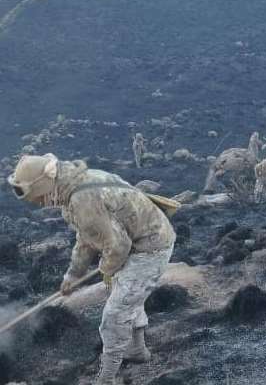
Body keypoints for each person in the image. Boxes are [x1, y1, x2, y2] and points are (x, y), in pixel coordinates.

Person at [7, 154, 176, 384]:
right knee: (126, 295)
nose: (36, 203)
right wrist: (73, 274)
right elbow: (86, 238)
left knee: (116, 312)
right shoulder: (74, 190)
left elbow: (118, 245)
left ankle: (106, 378)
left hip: (150, 245)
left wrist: (107, 269)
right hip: (135, 240)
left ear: (44, 185)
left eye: (35, 197)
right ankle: (137, 351)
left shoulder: (82, 199)